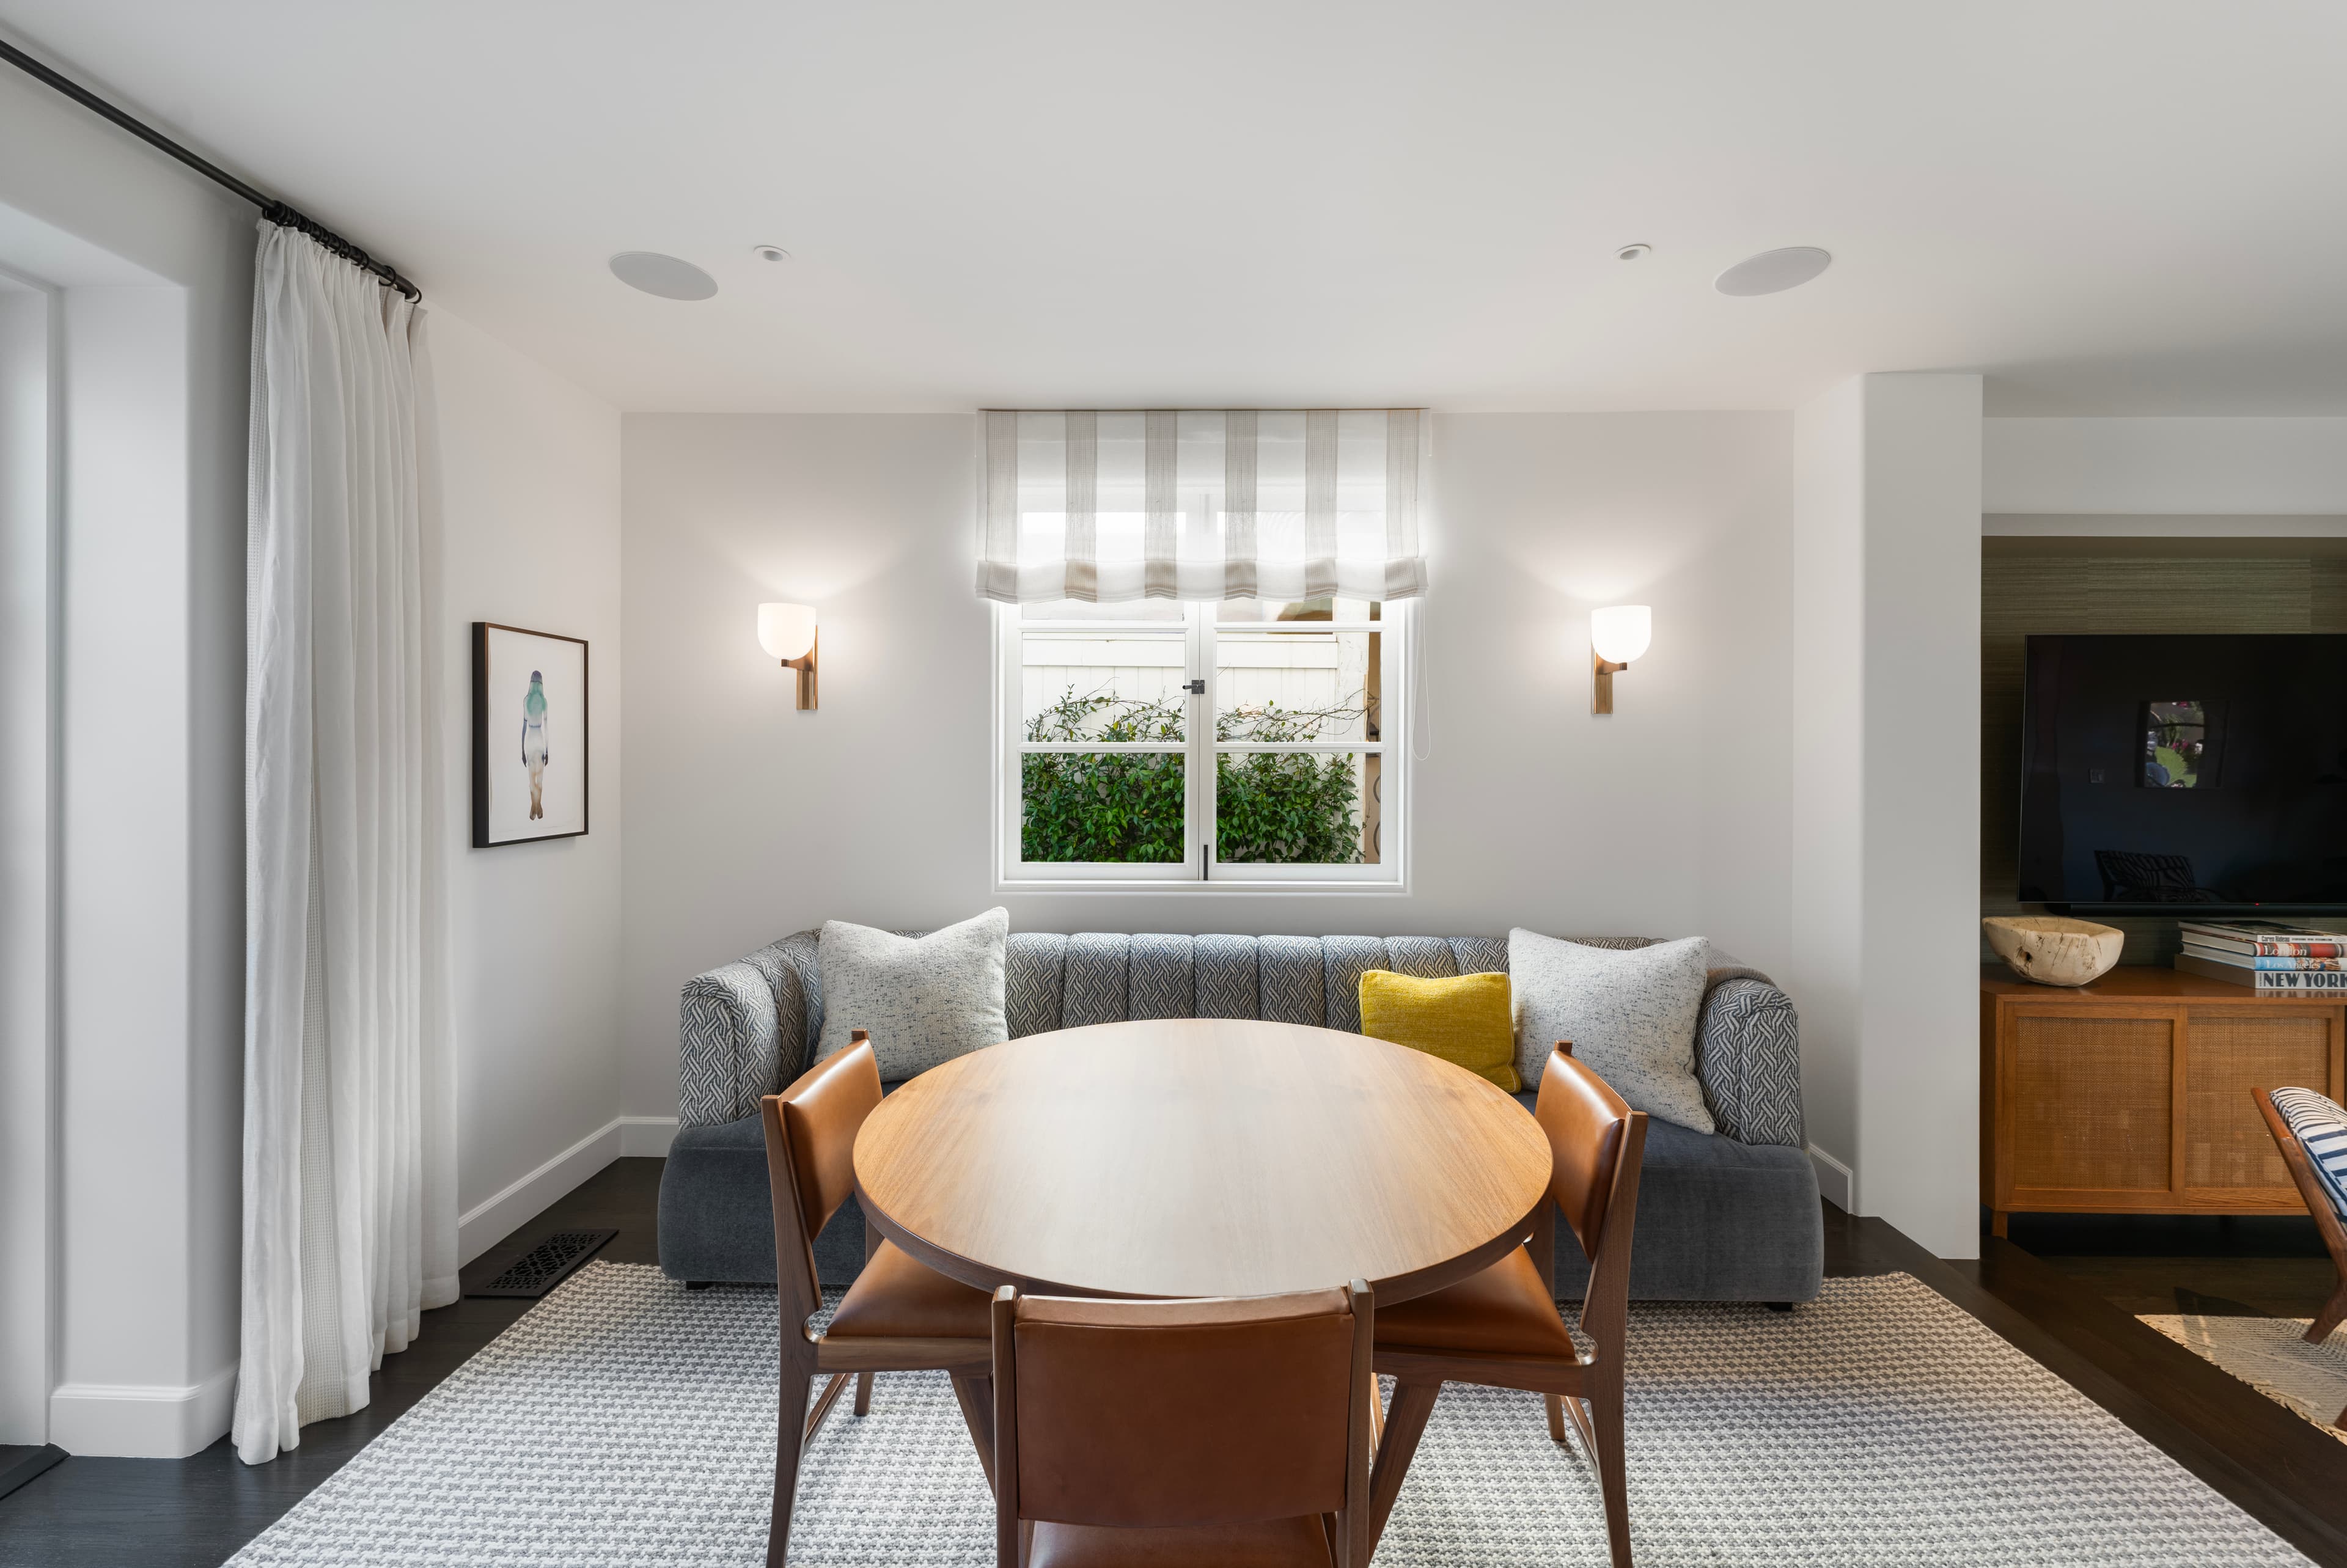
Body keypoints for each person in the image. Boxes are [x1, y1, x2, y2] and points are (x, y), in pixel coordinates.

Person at [521, 670, 549, 820]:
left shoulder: (527, 700)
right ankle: (538, 806)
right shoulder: (544, 701)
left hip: (531, 739)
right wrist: (548, 750)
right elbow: (546, 727)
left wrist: (522, 751)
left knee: (532, 778)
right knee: (540, 778)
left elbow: (524, 727)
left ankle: (534, 807)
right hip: (539, 739)